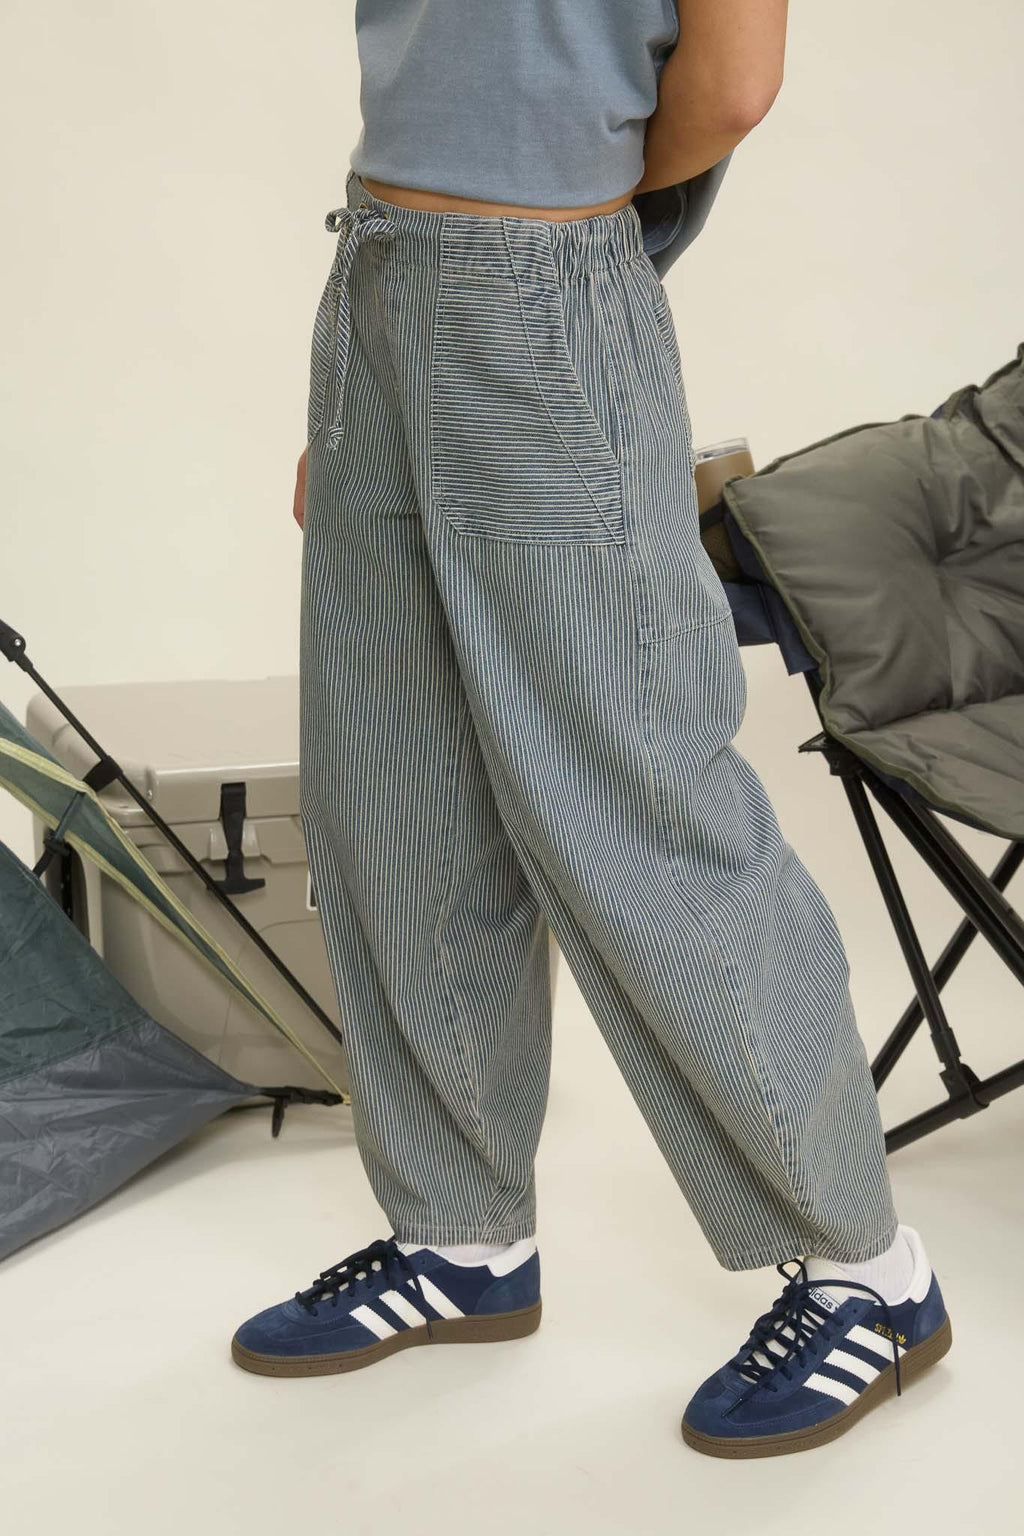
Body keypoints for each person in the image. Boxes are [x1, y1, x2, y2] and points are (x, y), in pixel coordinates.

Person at [233, 0, 952, 1457]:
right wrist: (384, 379)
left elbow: (731, 85)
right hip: (376, 277)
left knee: (637, 804)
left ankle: (872, 1275)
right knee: (394, 788)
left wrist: (557, 235)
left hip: (541, 297)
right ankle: (461, 1233)